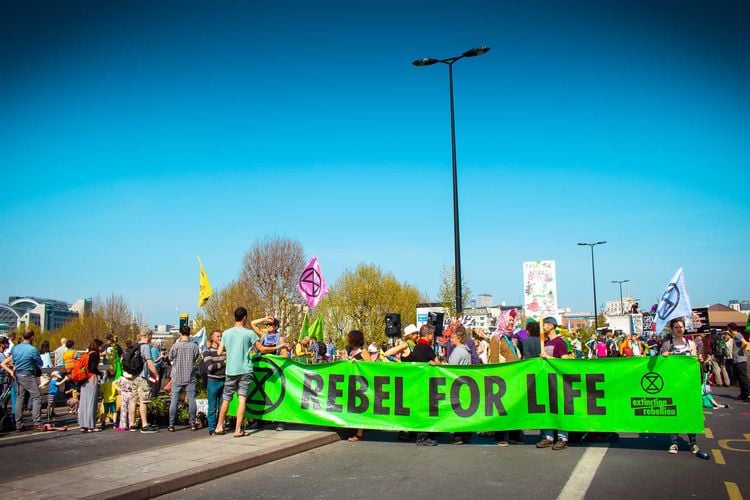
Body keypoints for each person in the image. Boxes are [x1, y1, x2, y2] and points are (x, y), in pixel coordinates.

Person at [214, 307, 288, 437]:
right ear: (244, 318)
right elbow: (263, 349)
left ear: (234, 317)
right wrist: (279, 347)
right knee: (242, 398)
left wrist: (231, 351)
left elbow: (219, 352)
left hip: (231, 370)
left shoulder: (226, 333)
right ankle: (238, 430)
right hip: (245, 370)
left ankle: (219, 427)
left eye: (270, 324)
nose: (268, 325)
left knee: (226, 398)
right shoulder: (250, 334)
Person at [661, 318, 700, 454]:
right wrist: (664, 356)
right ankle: (674, 442)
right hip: (673, 385)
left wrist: (698, 360)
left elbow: (694, 363)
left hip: (689, 385)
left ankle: (693, 443)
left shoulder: (691, 344)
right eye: (676, 327)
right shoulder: (667, 344)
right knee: (674, 413)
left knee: (690, 412)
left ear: (685, 328)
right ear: (672, 329)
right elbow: (660, 365)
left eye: (681, 327)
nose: (679, 329)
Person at [537, 317, 572, 451]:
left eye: (544, 324)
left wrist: (548, 357)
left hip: (558, 381)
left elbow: (565, 362)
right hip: (546, 381)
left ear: (552, 326)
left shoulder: (560, 343)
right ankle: (548, 436)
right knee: (547, 408)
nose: (543, 327)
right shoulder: (544, 342)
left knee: (560, 408)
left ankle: (563, 437)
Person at [1, 330, 44, 432]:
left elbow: (13, 361)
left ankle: (19, 424)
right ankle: (37, 423)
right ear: (32, 337)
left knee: (20, 398)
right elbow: (40, 363)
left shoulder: (15, 348)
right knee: (37, 397)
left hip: (18, 375)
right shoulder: (32, 349)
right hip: (28, 374)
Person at [407, 324, 440, 446]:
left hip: (417, 383)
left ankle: (418, 434)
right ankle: (422, 437)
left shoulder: (416, 347)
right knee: (426, 409)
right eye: (432, 335)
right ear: (429, 335)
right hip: (426, 384)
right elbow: (438, 363)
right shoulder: (426, 348)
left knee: (419, 409)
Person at [168, 325, 201, 432]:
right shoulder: (194, 346)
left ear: (180, 333)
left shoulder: (176, 346)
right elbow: (197, 358)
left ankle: (171, 424)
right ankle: (192, 423)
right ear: (189, 333)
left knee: (174, 400)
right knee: (192, 400)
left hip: (177, 375)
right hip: (190, 375)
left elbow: (170, 357)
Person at [129, 330, 160, 433]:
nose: (151, 338)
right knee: (144, 400)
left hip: (134, 376)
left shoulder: (135, 346)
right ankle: (144, 425)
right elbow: (149, 361)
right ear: (148, 335)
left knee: (133, 400)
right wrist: (156, 374)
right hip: (142, 377)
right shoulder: (145, 346)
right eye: (151, 336)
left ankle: (132, 424)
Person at [448, 327, 472, 445]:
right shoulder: (467, 351)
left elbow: (451, 367)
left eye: (452, 337)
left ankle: (458, 436)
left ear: (458, 338)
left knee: (458, 409)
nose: (450, 340)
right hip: (466, 382)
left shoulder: (457, 351)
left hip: (457, 383)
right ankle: (466, 434)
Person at [202, 329, 226, 435]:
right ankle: (211, 428)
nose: (220, 338)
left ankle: (220, 426)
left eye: (221, 336)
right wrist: (223, 363)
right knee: (212, 406)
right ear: (212, 338)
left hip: (224, 380)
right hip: (213, 381)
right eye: (217, 336)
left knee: (222, 406)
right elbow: (210, 367)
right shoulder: (207, 352)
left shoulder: (225, 350)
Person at [78, 339, 103, 432]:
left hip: (84, 380)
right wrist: (100, 373)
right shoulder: (95, 354)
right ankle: (91, 425)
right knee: (92, 403)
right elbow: (93, 368)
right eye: (100, 346)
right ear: (97, 346)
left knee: (84, 402)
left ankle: (83, 425)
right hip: (92, 379)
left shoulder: (87, 354)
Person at [724, 323, 749, 401]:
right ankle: (743, 394)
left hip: (740, 360)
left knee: (743, 377)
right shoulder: (735, 336)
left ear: (731, 328)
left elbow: (744, 343)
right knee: (739, 378)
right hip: (736, 360)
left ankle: (748, 394)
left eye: (728, 329)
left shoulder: (738, 335)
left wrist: (740, 350)